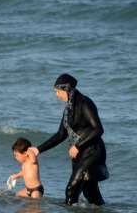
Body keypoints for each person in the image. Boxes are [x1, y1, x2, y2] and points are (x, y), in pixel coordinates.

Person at [30, 74, 109, 206]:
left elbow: (98, 129)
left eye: (57, 91)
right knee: (91, 194)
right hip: (80, 155)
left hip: (92, 151)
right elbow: (61, 134)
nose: (56, 95)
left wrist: (77, 146)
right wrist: (38, 149)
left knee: (71, 190)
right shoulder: (69, 108)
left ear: (66, 89)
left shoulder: (84, 103)